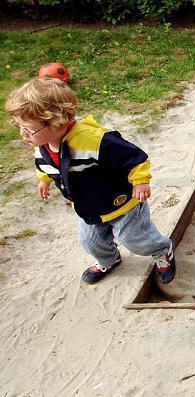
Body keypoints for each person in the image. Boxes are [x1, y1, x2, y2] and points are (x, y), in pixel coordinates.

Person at [5, 78, 176, 284]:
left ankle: (161, 251)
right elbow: (46, 165)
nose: (23, 135)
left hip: (122, 202)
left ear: (57, 122)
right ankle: (109, 259)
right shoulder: (42, 145)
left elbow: (134, 157)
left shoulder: (94, 140)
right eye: (20, 126)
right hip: (88, 207)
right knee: (90, 242)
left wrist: (140, 181)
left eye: (29, 129)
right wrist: (44, 179)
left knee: (134, 239)